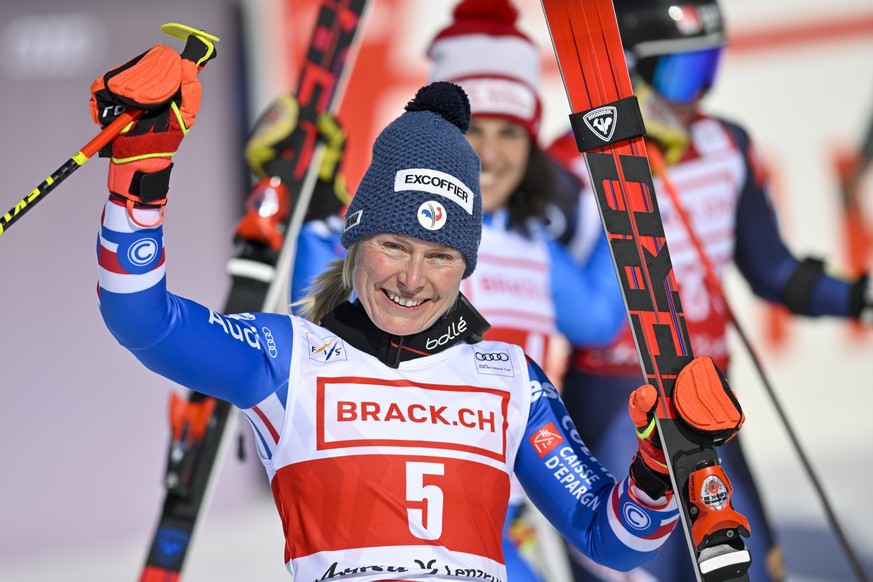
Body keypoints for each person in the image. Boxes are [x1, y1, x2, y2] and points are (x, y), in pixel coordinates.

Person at [88, 37, 731, 579]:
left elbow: (609, 539)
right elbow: (142, 320)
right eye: (394, 246)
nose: (413, 279)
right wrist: (140, 179)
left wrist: (654, 470)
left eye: (442, 256)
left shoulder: (510, 378)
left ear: (467, 265)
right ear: (357, 237)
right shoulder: (286, 358)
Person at [264, 1, 628, 578]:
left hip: (504, 517)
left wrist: (623, 198)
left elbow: (599, 322)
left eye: (510, 132)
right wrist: (310, 204)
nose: (490, 152)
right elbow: (311, 318)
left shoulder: (538, 247)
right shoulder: (394, 242)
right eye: (474, 131)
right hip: (389, 519)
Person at [546, 0, 873, 580]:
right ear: (632, 69)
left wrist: (854, 296)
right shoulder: (571, 163)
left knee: (747, 562)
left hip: (706, 399)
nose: (696, 94)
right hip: (615, 397)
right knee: (637, 564)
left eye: (708, 68)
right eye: (680, 73)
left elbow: (774, 271)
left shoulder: (728, 145)